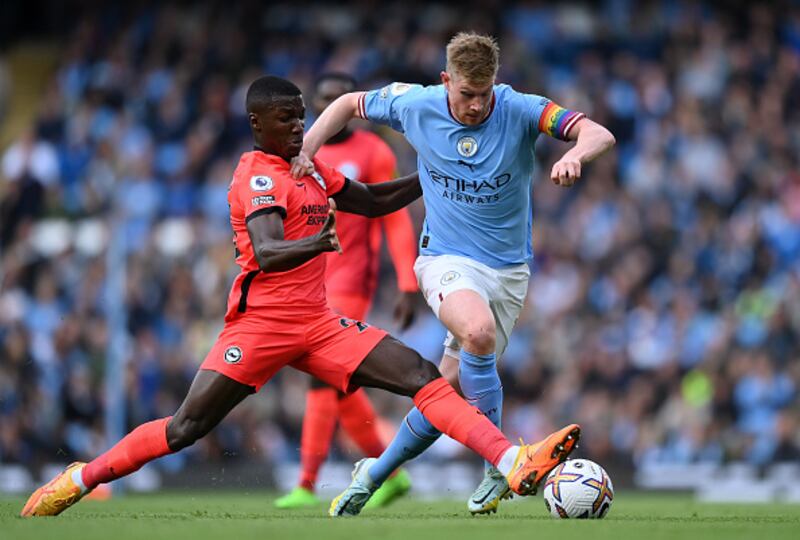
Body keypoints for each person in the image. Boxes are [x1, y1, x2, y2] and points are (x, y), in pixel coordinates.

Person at [20, 75, 580, 518]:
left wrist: (430, 176)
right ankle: (80, 478)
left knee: (423, 377)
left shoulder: (308, 169)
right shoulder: (258, 177)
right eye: (285, 119)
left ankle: (510, 459)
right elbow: (266, 251)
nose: (297, 128)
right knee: (184, 428)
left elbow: (369, 198)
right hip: (258, 327)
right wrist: (320, 241)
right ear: (255, 122)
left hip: (317, 324)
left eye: (301, 118)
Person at [292, 32, 615, 516]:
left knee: (443, 391)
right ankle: (501, 466)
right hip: (444, 259)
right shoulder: (414, 103)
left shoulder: (522, 108)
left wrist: (573, 154)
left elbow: (598, 133)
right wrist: (307, 153)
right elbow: (346, 103)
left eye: (484, 93)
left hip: (507, 271)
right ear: (446, 81)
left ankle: (373, 474)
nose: (475, 104)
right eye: (466, 94)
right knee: (478, 334)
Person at [274, 72, 418, 510]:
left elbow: (391, 217)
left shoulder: (372, 151)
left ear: (355, 106)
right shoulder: (298, 155)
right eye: (325, 99)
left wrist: (408, 282)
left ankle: (305, 483)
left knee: (324, 378)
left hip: (351, 280)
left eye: (342, 100)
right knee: (340, 385)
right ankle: (389, 473)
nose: (333, 107)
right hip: (307, 281)